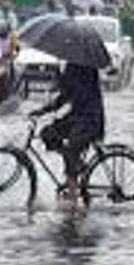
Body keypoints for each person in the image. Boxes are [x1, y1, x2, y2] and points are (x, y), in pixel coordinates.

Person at [29, 63, 105, 203]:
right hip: (79, 116)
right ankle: (74, 168)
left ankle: (73, 193)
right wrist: (46, 109)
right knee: (49, 133)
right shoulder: (76, 64)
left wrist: (61, 81)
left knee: (71, 147)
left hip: (88, 119)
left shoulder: (81, 65)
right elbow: (67, 95)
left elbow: (68, 94)